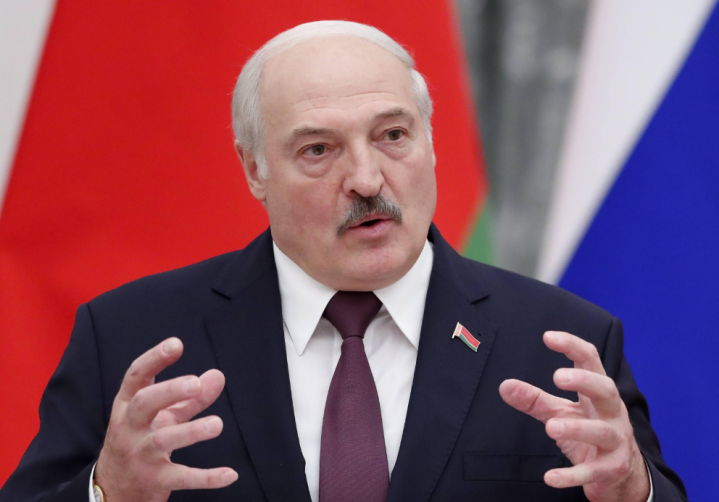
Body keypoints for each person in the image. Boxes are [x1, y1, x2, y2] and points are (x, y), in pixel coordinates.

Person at [0, 20, 686, 502]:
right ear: (255, 170)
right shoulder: (131, 338)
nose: (365, 178)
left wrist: (632, 492)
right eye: (318, 150)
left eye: (392, 135)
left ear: (430, 143)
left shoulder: (560, 343)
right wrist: (106, 493)